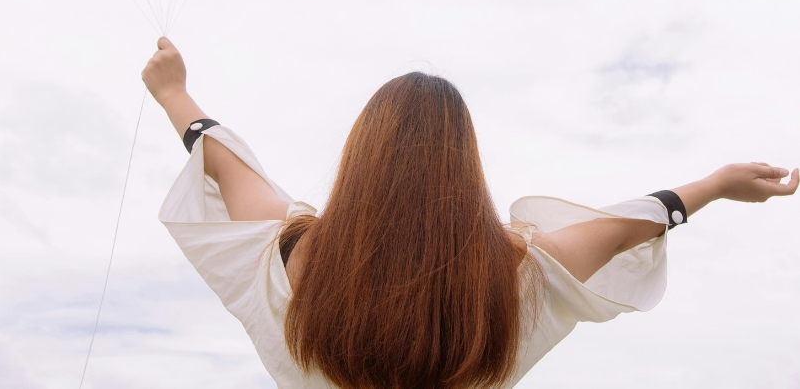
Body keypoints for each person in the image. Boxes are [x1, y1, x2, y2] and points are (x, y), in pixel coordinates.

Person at [144, 37, 797, 388]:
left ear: (359, 158)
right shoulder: (518, 278)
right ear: (465, 169)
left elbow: (224, 159)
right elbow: (637, 220)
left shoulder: (292, 262)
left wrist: (173, 90)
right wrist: (713, 185)